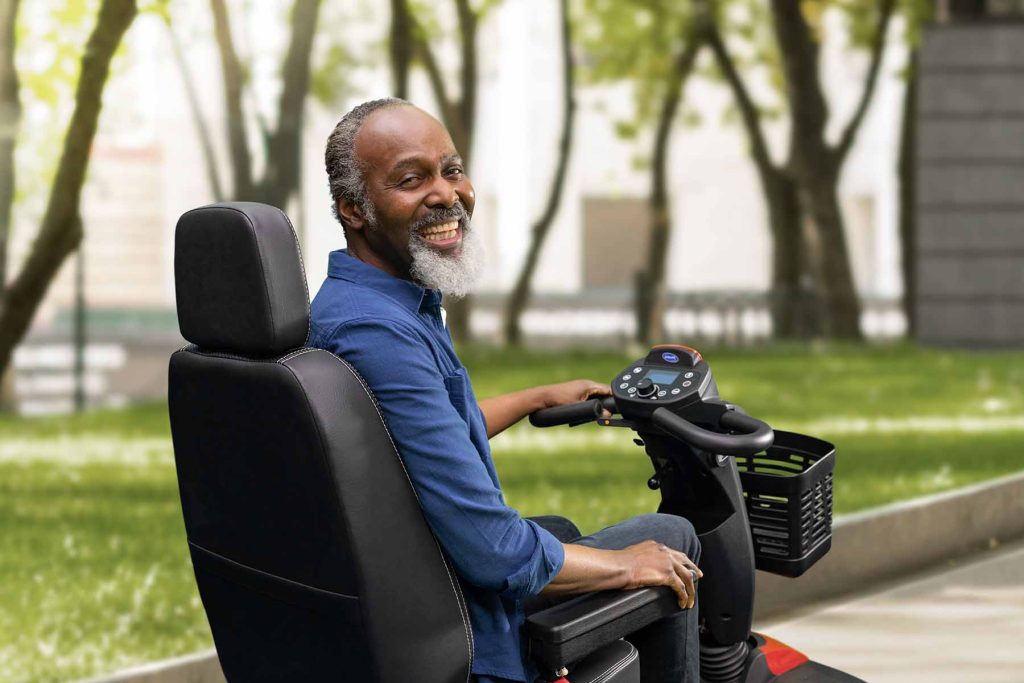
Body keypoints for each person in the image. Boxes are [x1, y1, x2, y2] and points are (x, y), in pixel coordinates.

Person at [310, 97, 702, 683]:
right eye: (411, 179)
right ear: (354, 209)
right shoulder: (379, 335)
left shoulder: (358, 303)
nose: (446, 194)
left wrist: (535, 398)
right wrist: (625, 567)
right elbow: (494, 550)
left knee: (562, 532)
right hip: (466, 627)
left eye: (452, 169)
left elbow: (411, 438)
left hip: (412, 577)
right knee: (670, 538)